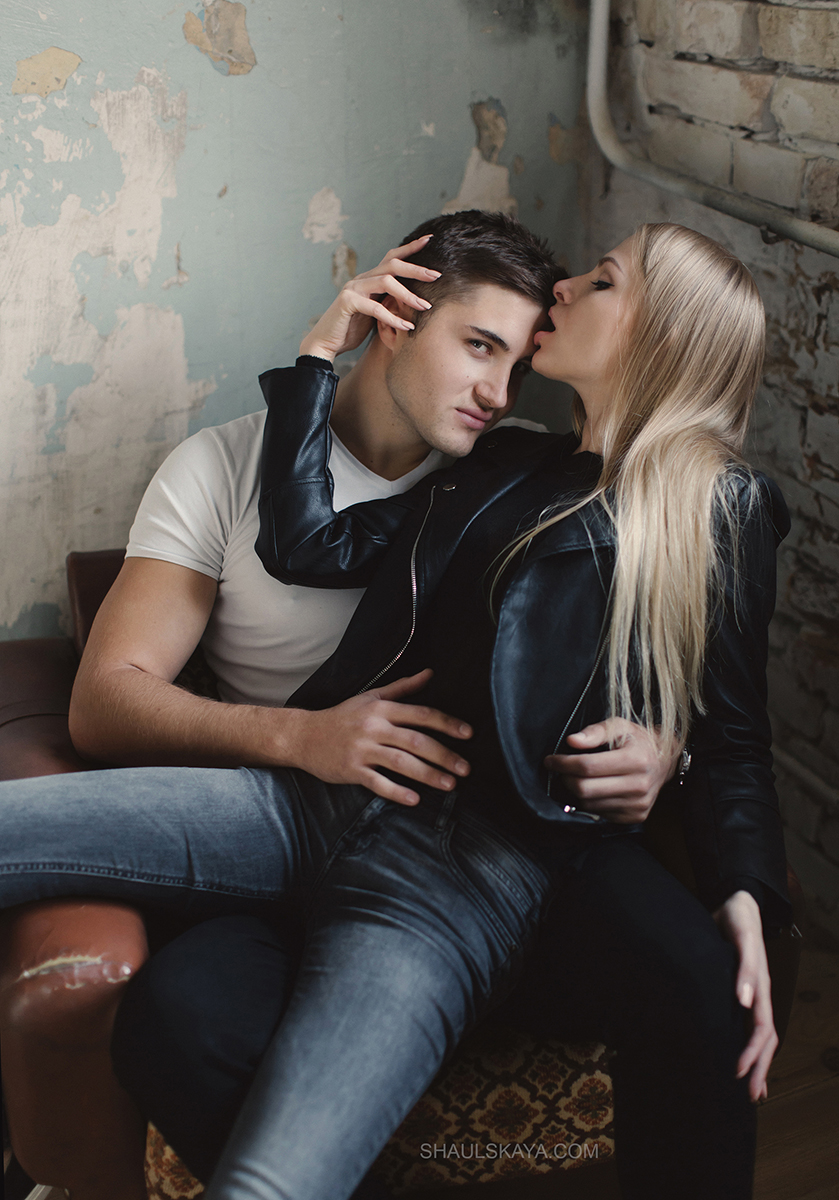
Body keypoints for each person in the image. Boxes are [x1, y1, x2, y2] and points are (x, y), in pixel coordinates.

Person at [0, 221, 788, 1200]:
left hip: (456, 869)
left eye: (602, 281)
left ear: (658, 332)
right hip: (308, 797)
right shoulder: (505, 464)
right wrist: (314, 360)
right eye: (480, 345)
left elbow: (732, 734)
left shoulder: (720, 506)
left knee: (274, 1182)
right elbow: (307, 545)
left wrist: (738, 879)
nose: (567, 290)